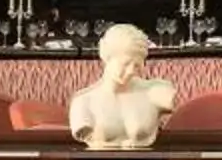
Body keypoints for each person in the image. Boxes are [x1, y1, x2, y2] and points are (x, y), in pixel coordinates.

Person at [67, 22, 178, 151]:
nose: (131, 71)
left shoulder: (156, 92)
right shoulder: (83, 102)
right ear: (106, 58)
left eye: (137, 65)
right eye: (125, 63)